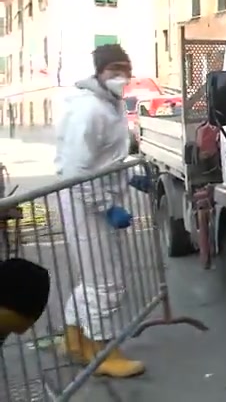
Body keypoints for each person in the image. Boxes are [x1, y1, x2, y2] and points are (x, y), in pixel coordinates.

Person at [54, 44, 147, 378]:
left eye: (126, 69)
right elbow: (78, 169)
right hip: (84, 203)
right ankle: (103, 352)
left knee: (93, 280)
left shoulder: (110, 105)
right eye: (114, 70)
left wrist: (132, 177)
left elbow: (106, 158)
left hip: (90, 200)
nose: (121, 76)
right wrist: (106, 207)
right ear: (99, 72)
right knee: (107, 284)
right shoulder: (90, 110)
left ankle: (74, 339)